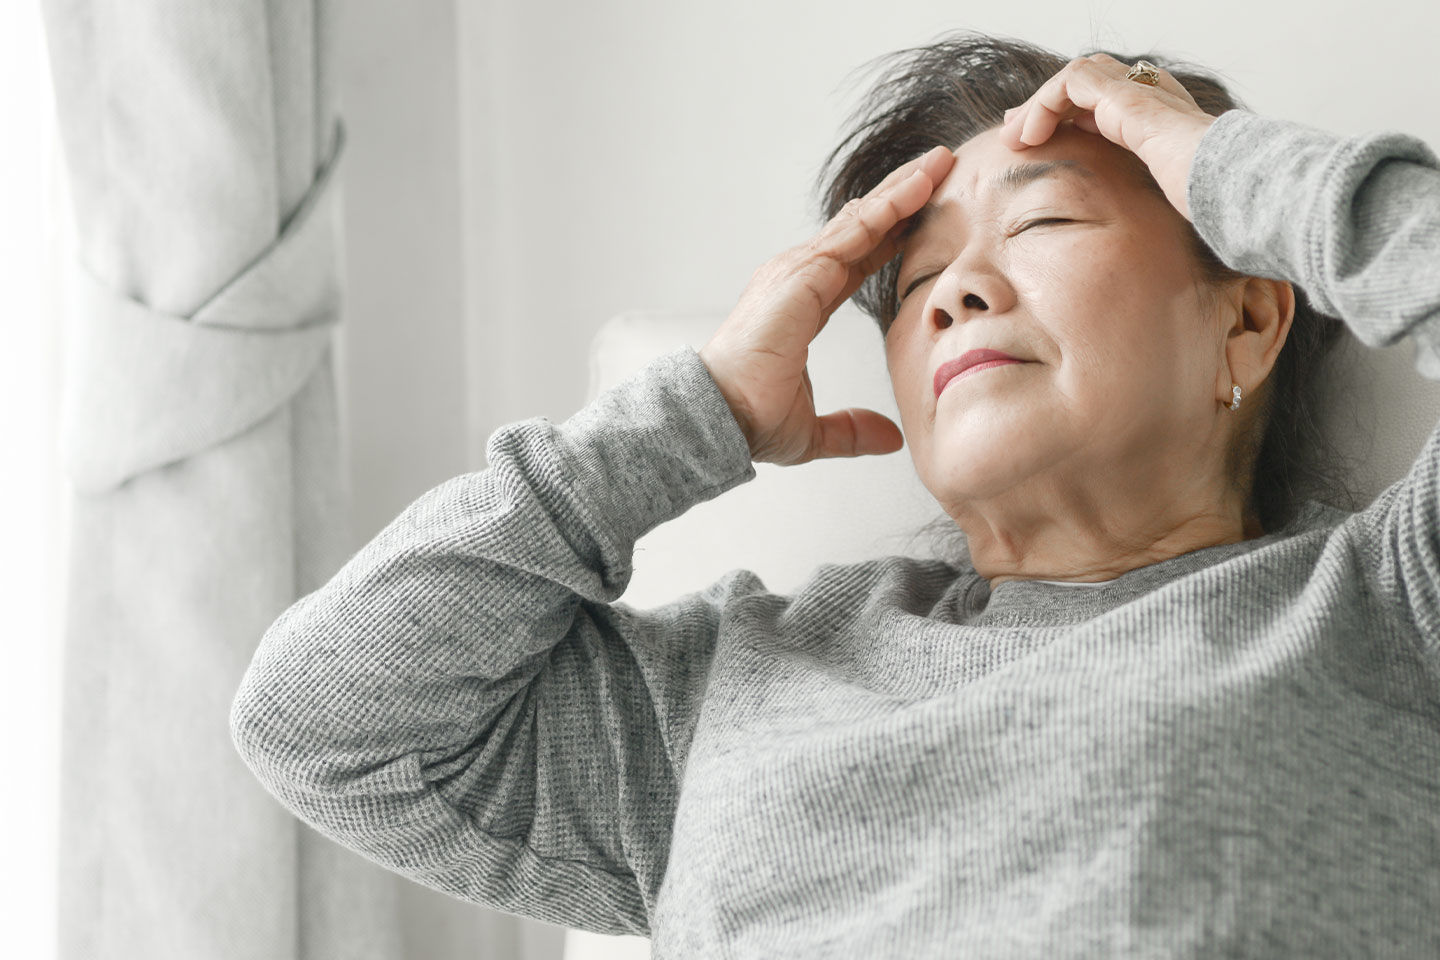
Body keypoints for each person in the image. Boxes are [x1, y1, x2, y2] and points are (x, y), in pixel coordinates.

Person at [230, 31, 1440, 958]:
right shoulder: (732, 685)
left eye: (1046, 220)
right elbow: (325, 722)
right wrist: (686, 419)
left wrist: (1221, 166)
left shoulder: (1387, 608)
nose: (960, 291)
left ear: (1246, 316)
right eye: (914, 284)